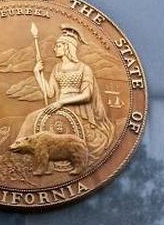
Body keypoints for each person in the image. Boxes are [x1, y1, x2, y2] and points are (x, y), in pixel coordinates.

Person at [19, 23, 116, 159]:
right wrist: (37, 74)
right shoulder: (57, 68)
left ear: (67, 47)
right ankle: (23, 153)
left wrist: (61, 103)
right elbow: (49, 93)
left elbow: (87, 95)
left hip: (76, 109)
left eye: (58, 45)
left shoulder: (84, 68)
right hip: (59, 106)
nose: (54, 49)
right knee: (31, 118)